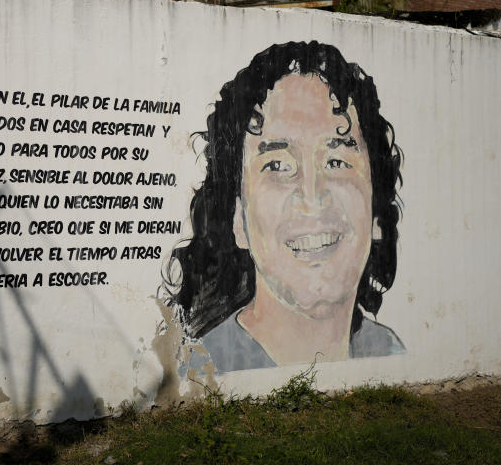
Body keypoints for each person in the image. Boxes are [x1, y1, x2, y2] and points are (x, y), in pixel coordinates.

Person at [165, 41, 404, 371]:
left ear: (376, 209)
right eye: (277, 166)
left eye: (336, 162)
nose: (312, 195)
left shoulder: (389, 353)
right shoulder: (200, 375)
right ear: (238, 221)